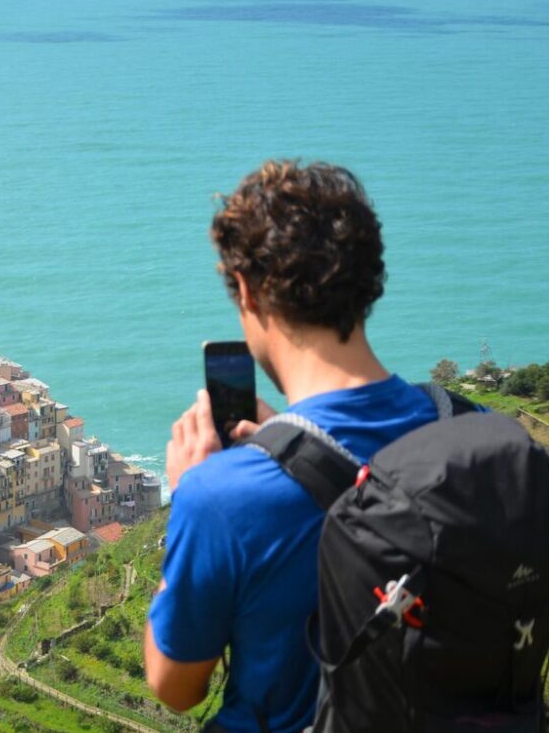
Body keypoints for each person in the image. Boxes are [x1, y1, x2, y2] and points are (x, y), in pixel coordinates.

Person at [143, 159, 446, 732]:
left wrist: (186, 495)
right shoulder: (462, 426)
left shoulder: (220, 498)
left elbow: (173, 685)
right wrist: (294, 443)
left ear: (251, 295)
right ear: (369, 284)